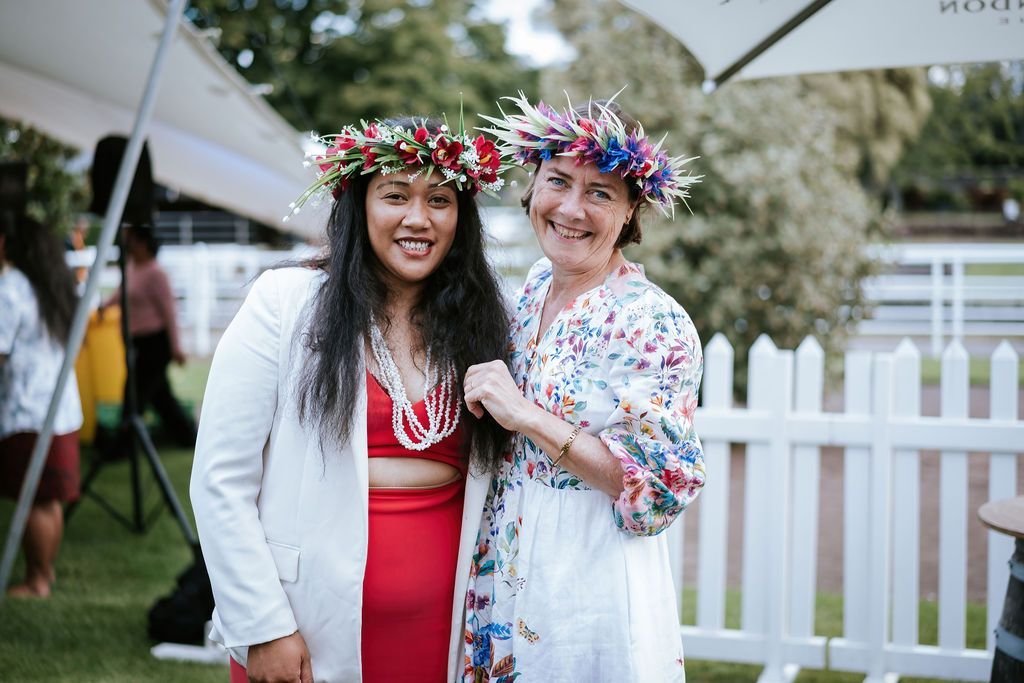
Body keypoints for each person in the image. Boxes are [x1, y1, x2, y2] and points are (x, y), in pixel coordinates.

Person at [190, 116, 511, 682]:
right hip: (305, 627)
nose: (419, 218)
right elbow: (220, 480)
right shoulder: (285, 303)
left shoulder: (484, 320)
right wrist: (263, 626)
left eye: (440, 198)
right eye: (395, 195)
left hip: (448, 629)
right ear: (358, 204)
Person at [461, 94, 707, 682]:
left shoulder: (652, 321)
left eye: (599, 192)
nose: (571, 208)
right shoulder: (536, 286)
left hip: (588, 577)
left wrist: (527, 417)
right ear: (532, 187)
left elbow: (657, 492)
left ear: (629, 213)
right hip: (510, 556)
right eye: (558, 182)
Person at [0, 206, 83, 599]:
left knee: (33, 499)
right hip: (61, 409)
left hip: (26, 410)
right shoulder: (56, 286)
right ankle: (44, 574)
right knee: (49, 500)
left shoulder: (12, 286)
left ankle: (36, 580)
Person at [101, 224, 196, 447]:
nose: (126, 245)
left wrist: (175, 347)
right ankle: (187, 436)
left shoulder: (156, 273)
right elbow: (121, 293)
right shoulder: (133, 267)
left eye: (131, 239)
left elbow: (169, 312)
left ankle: (122, 445)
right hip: (136, 341)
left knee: (135, 393)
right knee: (161, 396)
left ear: (143, 243)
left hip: (154, 343)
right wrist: (103, 306)